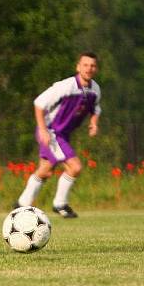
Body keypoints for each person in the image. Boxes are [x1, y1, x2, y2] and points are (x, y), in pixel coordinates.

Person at [14, 52, 101, 218]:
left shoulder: (95, 90)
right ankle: (60, 204)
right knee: (75, 167)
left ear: (96, 68)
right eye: (85, 65)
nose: (89, 68)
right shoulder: (65, 86)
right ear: (78, 67)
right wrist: (43, 130)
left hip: (63, 134)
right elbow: (39, 104)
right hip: (52, 131)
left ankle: (21, 204)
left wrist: (94, 123)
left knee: (45, 170)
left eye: (92, 65)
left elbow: (96, 108)